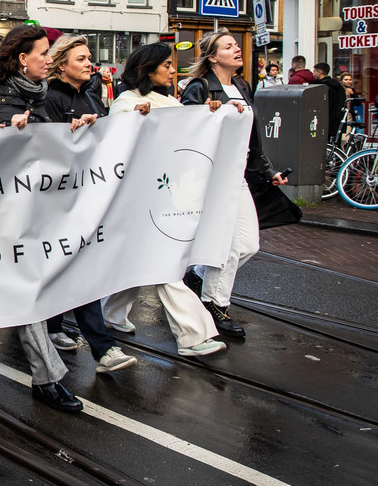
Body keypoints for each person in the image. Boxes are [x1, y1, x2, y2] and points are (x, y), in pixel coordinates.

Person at [0, 25, 84, 413]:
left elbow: (50, 146)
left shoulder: (41, 95)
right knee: (25, 289)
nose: (49, 59)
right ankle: (48, 378)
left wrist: (74, 132)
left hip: (36, 207)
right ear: (21, 59)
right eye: (43, 53)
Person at [104, 42, 229, 358]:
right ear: (147, 70)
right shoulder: (127, 102)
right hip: (140, 199)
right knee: (164, 264)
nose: (174, 70)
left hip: (166, 197)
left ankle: (112, 313)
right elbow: (117, 142)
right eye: (167, 65)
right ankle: (193, 334)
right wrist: (135, 120)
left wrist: (209, 115)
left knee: (139, 260)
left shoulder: (170, 101)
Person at [180, 32, 286, 338]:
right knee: (227, 245)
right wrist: (208, 113)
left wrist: (268, 171)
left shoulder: (242, 86)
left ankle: (198, 274)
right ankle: (215, 305)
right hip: (212, 177)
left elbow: (251, 139)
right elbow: (185, 131)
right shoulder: (200, 87)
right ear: (213, 57)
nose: (237, 49)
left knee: (249, 245)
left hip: (237, 175)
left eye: (236, 45)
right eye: (228, 46)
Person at [43, 36, 137, 374]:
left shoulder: (93, 97)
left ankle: (52, 326)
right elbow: (47, 148)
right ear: (61, 64)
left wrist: (134, 121)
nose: (89, 63)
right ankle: (103, 347)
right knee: (77, 269)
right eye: (81, 58)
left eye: (89, 58)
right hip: (60, 199)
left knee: (71, 266)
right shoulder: (50, 98)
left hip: (91, 194)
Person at [310, 62, 346, 141]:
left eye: (314, 72)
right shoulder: (338, 86)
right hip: (336, 120)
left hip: (324, 121)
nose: (313, 74)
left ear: (320, 72)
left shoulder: (321, 87)